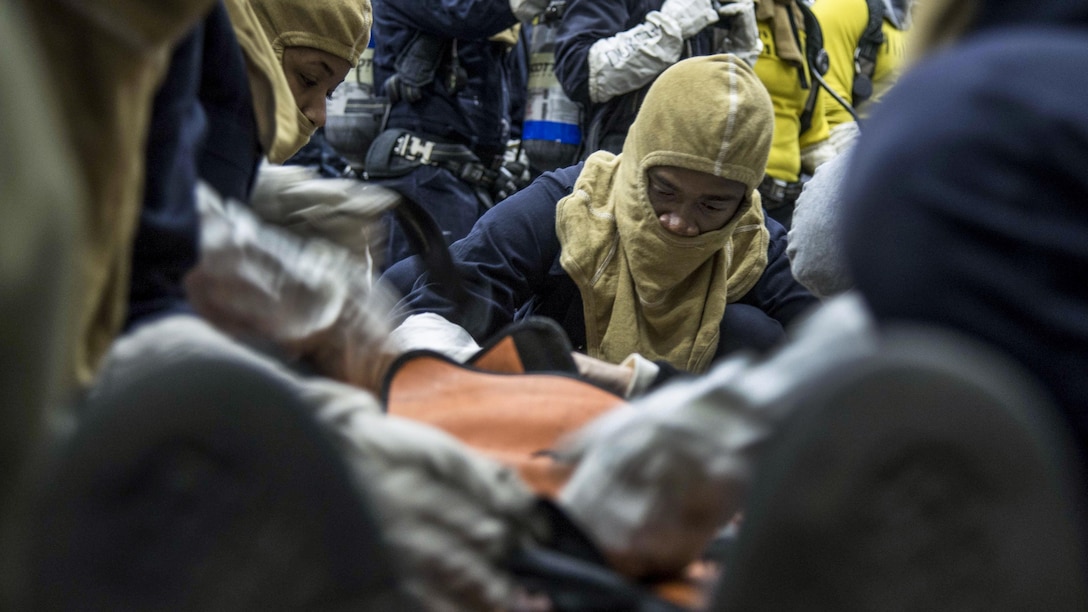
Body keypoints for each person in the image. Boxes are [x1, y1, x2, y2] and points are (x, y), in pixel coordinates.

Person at [383, 54, 819, 399]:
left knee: (752, 333)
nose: (679, 223)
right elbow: (451, 300)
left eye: (712, 205)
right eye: (664, 192)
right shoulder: (573, 203)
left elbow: (837, 358)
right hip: (543, 403)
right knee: (408, 280)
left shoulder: (752, 243)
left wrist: (636, 382)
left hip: (683, 433)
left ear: (742, 202)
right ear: (635, 163)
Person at [362, 0, 548, 269]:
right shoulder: (476, 12)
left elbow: (515, 96)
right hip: (424, 180)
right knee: (420, 300)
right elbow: (464, 14)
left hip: (474, 183)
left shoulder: (499, 28)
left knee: (462, 302)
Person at [552, 0, 762, 156]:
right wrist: (669, 28)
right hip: (624, 152)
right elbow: (579, 72)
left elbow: (711, 94)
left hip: (696, 156)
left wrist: (739, 50)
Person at [750, 0, 838, 229]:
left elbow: (813, 138)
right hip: (733, 196)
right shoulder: (718, 10)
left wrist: (842, 183)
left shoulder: (805, 24)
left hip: (787, 204)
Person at [810, 0, 915, 155]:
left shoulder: (915, 17)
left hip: (895, 151)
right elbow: (830, 110)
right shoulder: (843, 5)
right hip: (855, 155)